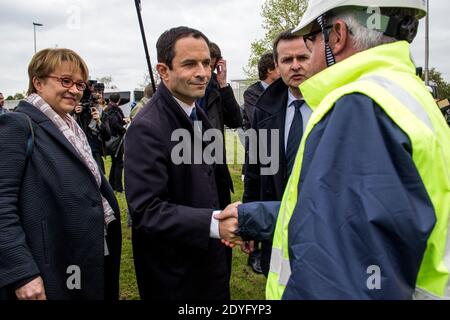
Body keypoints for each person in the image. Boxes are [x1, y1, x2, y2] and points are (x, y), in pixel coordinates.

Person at [219, 0, 450, 300]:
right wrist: (252, 216)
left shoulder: (360, 107)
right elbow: (344, 213)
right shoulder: (405, 95)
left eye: (310, 40)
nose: (303, 59)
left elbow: (338, 277)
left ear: (337, 35)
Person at [124, 26, 238, 300]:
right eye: (189, 64)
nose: (202, 72)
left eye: (206, 63)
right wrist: (214, 224)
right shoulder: (147, 127)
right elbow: (146, 210)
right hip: (176, 275)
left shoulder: (197, 113)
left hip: (210, 262)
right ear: (163, 70)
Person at [0, 48, 122, 300]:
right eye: (65, 81)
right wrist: (22, 273)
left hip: (82, 257)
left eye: (80, 84)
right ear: (38, 82)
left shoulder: (70, 126)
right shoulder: (18, 125)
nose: (75, 90)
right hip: (48, 265)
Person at [243, 31, 312, 277]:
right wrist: (249, 222)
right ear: (277, 65)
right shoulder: (263, 110)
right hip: (277, 222)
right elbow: (254, 170)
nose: (295, 66)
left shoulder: (339, 104)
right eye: (286, 60)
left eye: (303, 57)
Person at [73, 85, 111, 173]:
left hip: (94, 152)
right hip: (79, 151)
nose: (98, 95)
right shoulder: (80, 111)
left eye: (100, 93)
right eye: (95, 92)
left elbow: (108, 136)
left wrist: (98, 121)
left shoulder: (103, 114)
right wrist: (75, 114)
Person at [242, 52, 279, 129]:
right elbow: (258, 121)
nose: (283, 69)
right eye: (278, 66)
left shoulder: (284, 90)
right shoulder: (251, 94)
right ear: (269, 70)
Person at [105, 93, 126, 192]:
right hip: (116, 139)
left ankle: (112, 184)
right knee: (119, 163)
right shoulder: (113, 110)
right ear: (119, 100)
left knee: (115, 162)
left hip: (113, 138)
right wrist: (123, 129)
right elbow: (114, 123)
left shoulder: (109, 108)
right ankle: (118, 187)